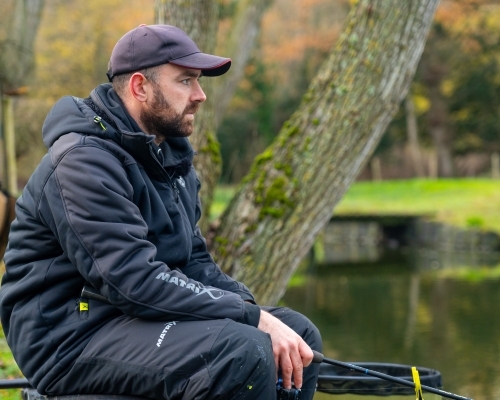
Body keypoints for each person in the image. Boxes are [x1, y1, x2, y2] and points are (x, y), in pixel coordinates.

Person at [0, 24, 322, 399]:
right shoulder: (82, 162)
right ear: (140, 87)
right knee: (242, 352)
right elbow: (133, 281)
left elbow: (192, 260)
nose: (200, 95)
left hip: (130, 316)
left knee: (298, 334)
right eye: (185, 81)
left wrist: (251, 309)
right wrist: (250, 318)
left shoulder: (168, 157)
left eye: (198, 81)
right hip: (68, 336)